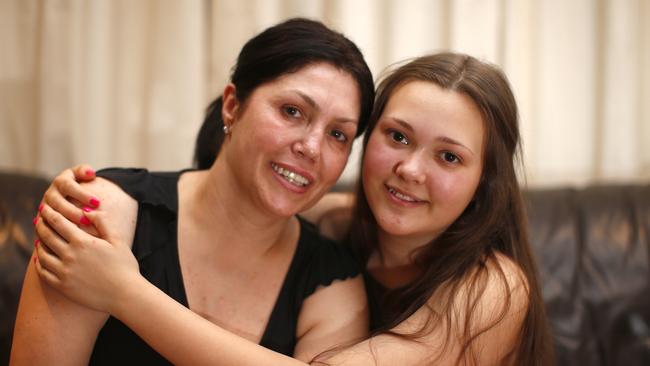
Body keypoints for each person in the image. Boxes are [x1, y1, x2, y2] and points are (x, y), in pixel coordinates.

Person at [26, 53, 555, 365]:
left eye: (448, 156)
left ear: (484, 180)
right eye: (397, 136)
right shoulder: (334, 225)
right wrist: (86, 190)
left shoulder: (494, 288)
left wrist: (122, 290)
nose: (411, 170)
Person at [10, 18, 376, 365]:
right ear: (232, 106)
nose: (312, 147)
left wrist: (123, 291)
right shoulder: (103, 213)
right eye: (292, 111)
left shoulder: (333, 282)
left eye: (338, 134)